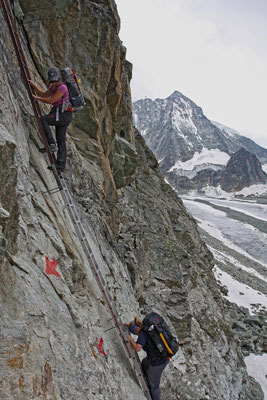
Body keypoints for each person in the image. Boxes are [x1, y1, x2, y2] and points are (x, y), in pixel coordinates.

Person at [29, 67, 73, 172]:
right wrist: (34, 86)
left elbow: (51, 100)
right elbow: (45, 95)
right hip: (61, 113)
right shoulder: (53, 86)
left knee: (43, 120)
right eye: (52, 80)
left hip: (64, 114)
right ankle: (60, 165)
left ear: (58, 78)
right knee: (61, 140)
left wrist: (37, 99)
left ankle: (51, 144)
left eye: (55, 80)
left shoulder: (62, 87)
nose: (53, 82)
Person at [128, 316, 169, 400]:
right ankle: (149, 377)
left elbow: (137, 348)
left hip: (158, 362)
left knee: (154, 387)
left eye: (134, 331)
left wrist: (130, 339)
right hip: (162, 357)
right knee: (144, 363)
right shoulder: (147, 329)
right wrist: (127, 326)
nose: (135, 333)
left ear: (137, 327)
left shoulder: (142, 334)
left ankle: (152, 388)